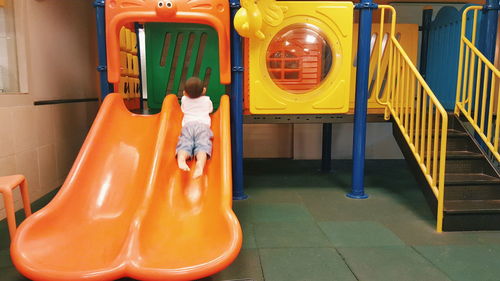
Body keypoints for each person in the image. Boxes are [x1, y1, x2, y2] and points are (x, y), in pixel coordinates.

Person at [176, 77, 213, 179]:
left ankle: (182, 159)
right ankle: (200, 164)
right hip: (203, 127)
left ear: (185, 93)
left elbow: (183, 109)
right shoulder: (207, 100)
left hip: (188, 126)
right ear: (204, 90)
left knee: (185, 144)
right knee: (202, 146)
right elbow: (210, 110)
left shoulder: (184, 100)